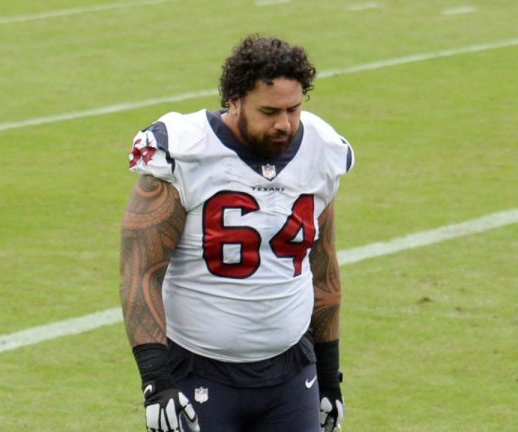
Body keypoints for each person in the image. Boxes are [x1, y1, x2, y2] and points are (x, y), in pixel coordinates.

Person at [120, 34, 353, 432]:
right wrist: (155, 381)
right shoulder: (186, 152)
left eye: (294, 109)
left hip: (292, 371)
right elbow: (141, 270)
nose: (284, 123)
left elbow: (322, 264)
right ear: (234, 100)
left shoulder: (321, 150)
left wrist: (329, 375)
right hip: (198, 369)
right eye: (269, 111)